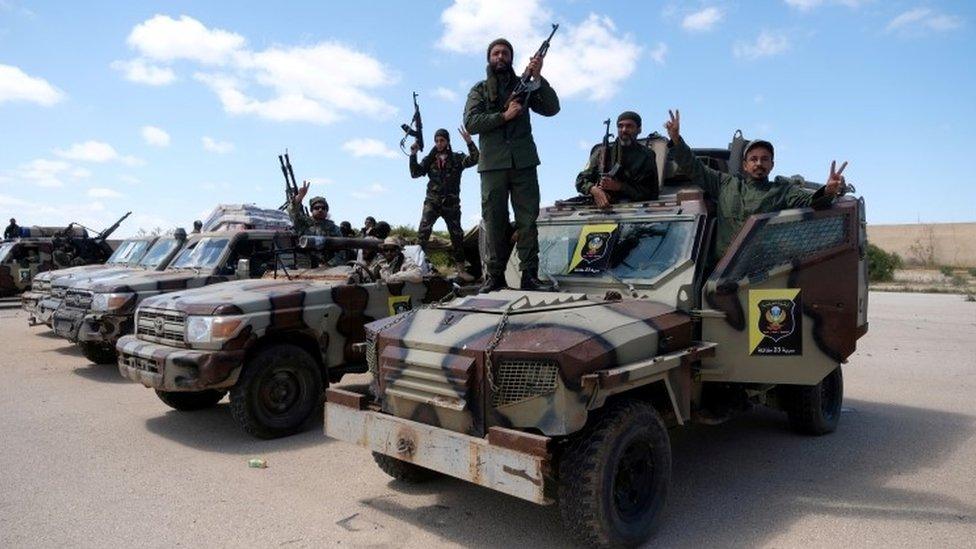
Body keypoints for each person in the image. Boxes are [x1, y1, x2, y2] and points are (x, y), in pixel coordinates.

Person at [664, 109, 848, 263]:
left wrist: (828, 191)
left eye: (764, 159)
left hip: (758, 271)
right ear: (745, 165)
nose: (759, 163)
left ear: (772, 165)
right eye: (753, 159)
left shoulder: (781, 191)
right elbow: (694, 167)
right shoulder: (725, 184)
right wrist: (676, 140)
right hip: (721, 272)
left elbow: (812, 201)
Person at [464, 36, 560, 293]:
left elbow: (552, 108)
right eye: (496, 53)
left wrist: (538, 78)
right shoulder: (480, 90)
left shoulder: (526, 85)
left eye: (505, 53)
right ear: (489, 58)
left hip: (523, 162)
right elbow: (472, 123)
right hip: (493, 164)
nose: (500, 57)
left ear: (511, 58)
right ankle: (495, 277)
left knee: (527, 220)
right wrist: (504, 116)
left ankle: (529, 274)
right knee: (494, 220)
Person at [410, 127, 479, 282]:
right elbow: (415, 173)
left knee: (457, 236)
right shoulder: (430, 159)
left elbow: (475, 159)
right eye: (436, 141)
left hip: (451, 203)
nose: (439, 143)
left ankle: (460, 270)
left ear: (447, 141)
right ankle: (415, 267)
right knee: (423, 233)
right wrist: (413, 154)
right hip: (432, 202)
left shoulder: (456, 158)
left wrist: (469, 142)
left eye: (442, 140)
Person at [575, 111, 659, 208]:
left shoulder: (646, 156)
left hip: (635, 208)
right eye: (620, 126)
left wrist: (619, 187)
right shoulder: (602, 153)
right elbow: (580, 180)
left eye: (629, 126)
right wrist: (594, 190)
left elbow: (651, 193)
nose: (624, 130)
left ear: (639, 129)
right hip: (602, 208)